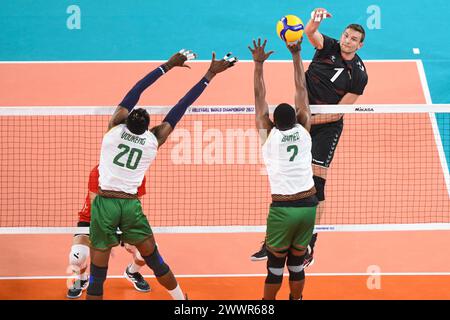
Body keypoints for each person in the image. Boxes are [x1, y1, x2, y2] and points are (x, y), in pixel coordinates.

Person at [86, 49, 237, 300]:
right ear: (148, 126)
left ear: (125, 120)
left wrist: (167, 66)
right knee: (154, 259)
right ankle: (180, 299)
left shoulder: (114, 129)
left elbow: (136, 90)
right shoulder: (154, 140)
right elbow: (181, 107)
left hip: (105, 204)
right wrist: (209, 75)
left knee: (97, 273)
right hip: (130, 207)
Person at [251, 8, 368, 267]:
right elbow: (310, 34)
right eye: (346, 36)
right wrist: (313, 21)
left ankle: (310, 242)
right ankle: (271, 240)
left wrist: (302, 123)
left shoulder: (359, 75)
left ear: (360, 45)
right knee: (287, 179)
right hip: (302, 115)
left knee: (317, 185)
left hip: (325, 126)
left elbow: (339, 113)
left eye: (353, 39)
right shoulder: (329, 47)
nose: (347, 41)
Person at [249, 38, 318, 300]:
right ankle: (296, 299)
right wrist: (297, 54)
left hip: (283, 208)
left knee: (275, 267)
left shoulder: (269, 135)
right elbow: (301, 87)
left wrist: (258, 64)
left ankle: (268, 304)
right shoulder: (304, 130)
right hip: (309, 205)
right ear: (298, 117)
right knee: (297, 263)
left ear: (273, 122)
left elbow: (259, 98)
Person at [67, 165, 150, 299]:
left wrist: (128, 235)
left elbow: (135, 205)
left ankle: (132, 272)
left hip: (122, 219)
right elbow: (95, 208)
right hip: (92, 219)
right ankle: (82, 278)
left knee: (145, 252)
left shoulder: (137, 173)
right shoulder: (98, 172)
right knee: (77, 257)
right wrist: (103, 235)